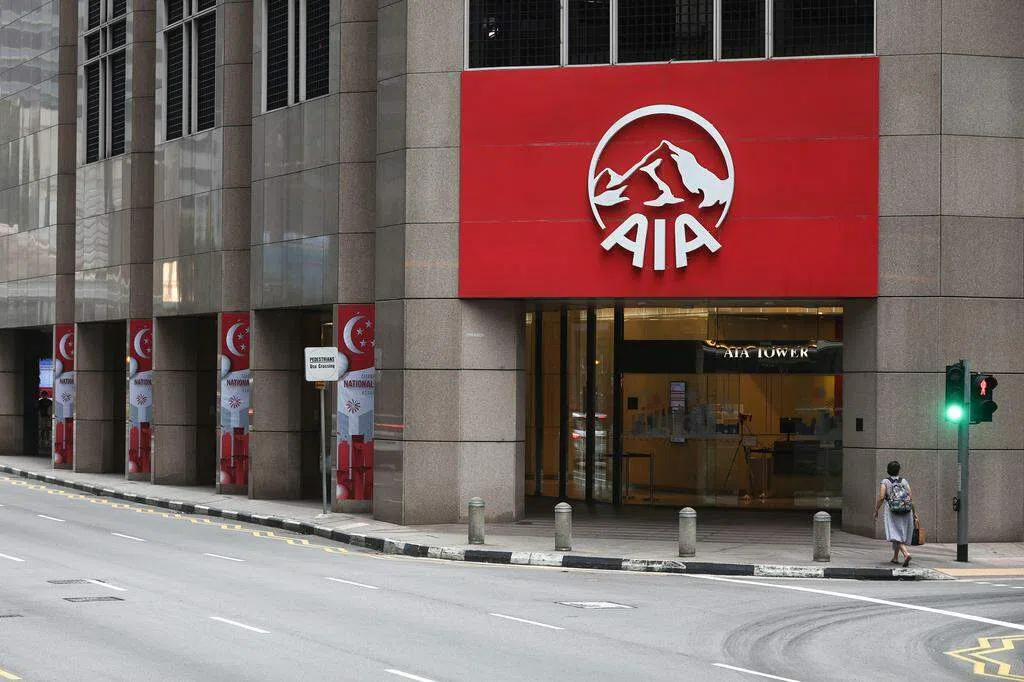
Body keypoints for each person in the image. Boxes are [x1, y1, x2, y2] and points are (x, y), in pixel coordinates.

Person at [874, 460, 916, 567]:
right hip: (905, 509)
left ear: (888, 470)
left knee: (894, 533)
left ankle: (906, 554)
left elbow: (881, 497)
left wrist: (876, 509)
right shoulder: (904, 481)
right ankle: (895, 557)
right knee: (899, 532)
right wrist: (914, 513)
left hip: (892, 509)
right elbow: (910, 497)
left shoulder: (885, 482)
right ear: (899, 470)